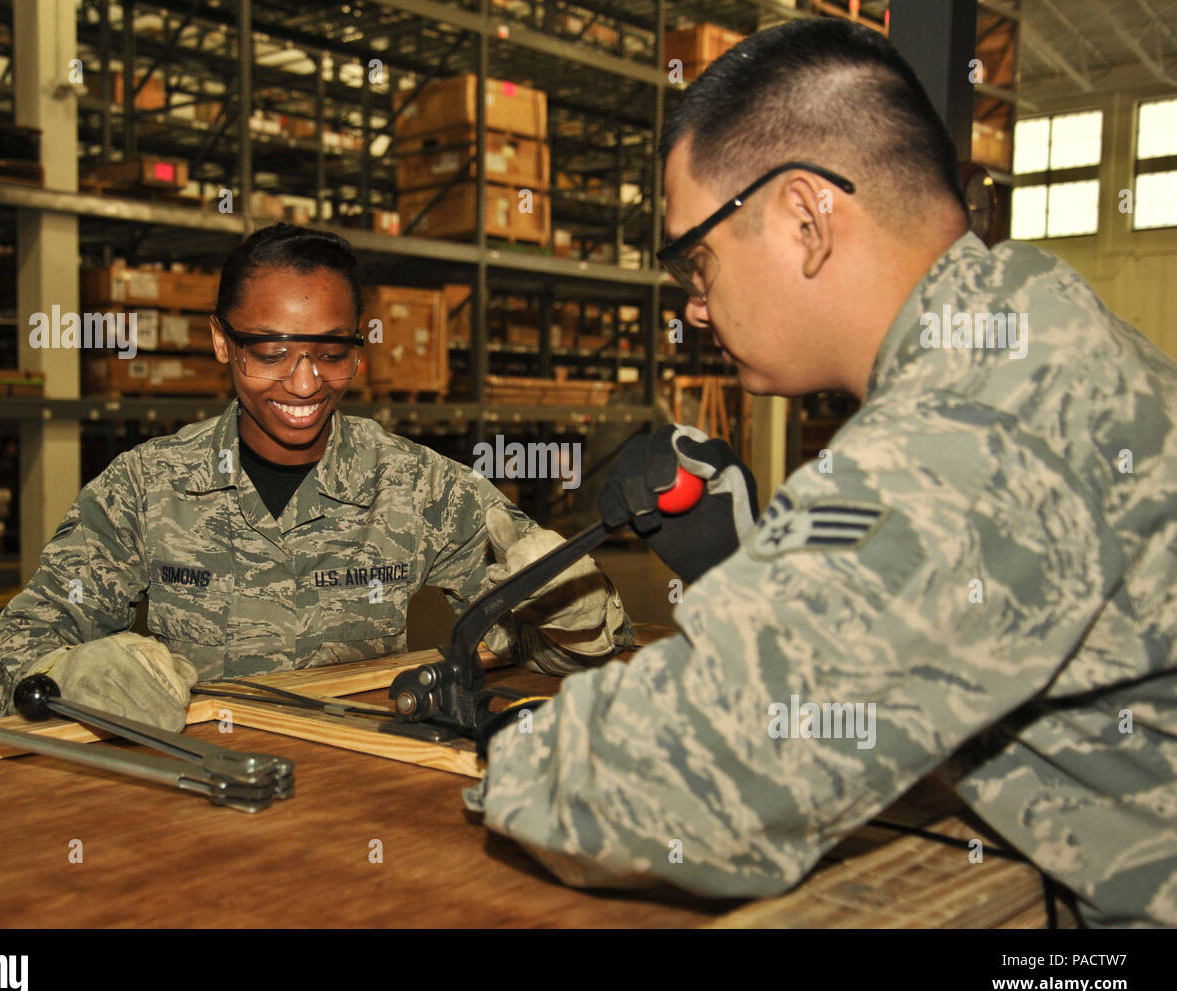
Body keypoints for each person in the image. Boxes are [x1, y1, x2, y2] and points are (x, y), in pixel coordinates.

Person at [464, 18, 1177, 929]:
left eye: (695, 259)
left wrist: (510, 748)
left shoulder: (969, 423)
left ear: (805, 219)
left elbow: (679, 781)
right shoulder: (1032, 330)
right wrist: (759, 571)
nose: (695, 307)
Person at [0, 225, 632, 730]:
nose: (304, 382)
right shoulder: (146, 488)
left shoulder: (417, 486)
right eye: (270, 351)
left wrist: (572, 621)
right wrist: (67, 679)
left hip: (360, 790)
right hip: (195, 787)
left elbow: (561, 653)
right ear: (221, 341)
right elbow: (13, 652)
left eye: (331, 351)